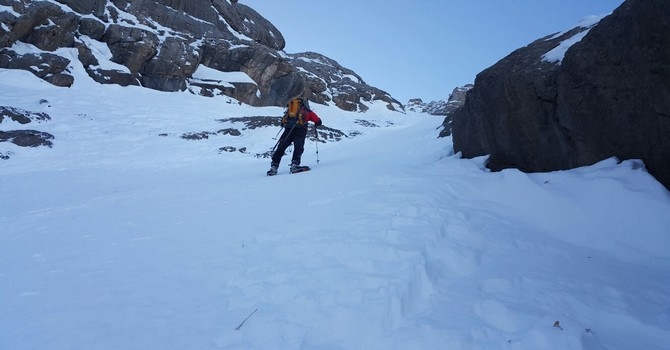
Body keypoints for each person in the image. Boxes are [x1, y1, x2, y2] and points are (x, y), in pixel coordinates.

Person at [267, 97, 322, 176]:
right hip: (300, 131)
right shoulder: (306, 110)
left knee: (281, 148)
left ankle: (274, 167)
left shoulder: (290, 110)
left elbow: (282, 123)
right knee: (298, 148)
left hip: (288, 131)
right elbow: (318, 121)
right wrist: (316, 122)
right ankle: (295, 165)